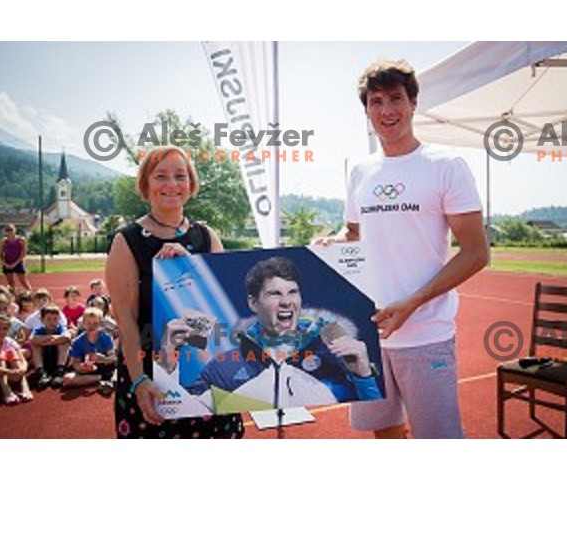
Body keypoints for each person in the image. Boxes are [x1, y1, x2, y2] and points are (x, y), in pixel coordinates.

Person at [315, 59, 488, 439]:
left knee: (438, 439)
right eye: (376, 101)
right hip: (367, 335)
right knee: (386, 433)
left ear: (413, 103)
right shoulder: (360, 171)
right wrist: (331, 242)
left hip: (425, 334)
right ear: (367, 111)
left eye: (396, 98)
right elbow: (355, 234)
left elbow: (477, 252)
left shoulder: (447, 165)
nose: (387, 110)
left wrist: (412, 302)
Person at [105, 146, 244, 439]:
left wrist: (192, 266)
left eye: (180, 176)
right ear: (146, 184)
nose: (171, 184)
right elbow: (126, 320)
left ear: (191, 184)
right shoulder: (127, 241)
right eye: (160, 176)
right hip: (151, 378)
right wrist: (139, 380)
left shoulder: (207, 237)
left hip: (207, 373)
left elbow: (223, 310)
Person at [182, 256, 382, 413]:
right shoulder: (223, 368)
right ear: (253, 303)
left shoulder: (336, 356)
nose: (286, 301)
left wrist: (363, 375)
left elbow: (376, 422)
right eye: (275, 294)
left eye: (292, 292)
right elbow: (184, 418)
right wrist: (167, 365)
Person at [63, 307, 117, 396]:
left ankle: (110, 380)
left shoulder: (106, 338)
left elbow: (114, 358)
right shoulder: (78, 341)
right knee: (67, 379)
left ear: (101, 324)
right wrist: (82, 367)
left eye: (95, 323)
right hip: (89, 370)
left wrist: (103, 359)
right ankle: (103, 378)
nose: (92, 326)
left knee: (120, 370)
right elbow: (75, 363)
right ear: (83, 324)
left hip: (106, 366)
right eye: (88, 323)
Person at [30, 304, 72, 389]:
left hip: (58, 358)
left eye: (55, 319)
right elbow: (32, 339)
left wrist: (47, 342)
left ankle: (59, 372)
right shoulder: (40, 330)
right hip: (45, 359)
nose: (52, 322)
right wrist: (53, 339)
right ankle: (41, 373)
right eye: (48, 319)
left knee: (64, 343)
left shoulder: (60, 328)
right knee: (35, 345)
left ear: (59, 319)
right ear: (42, 320)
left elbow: (67, 337)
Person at [0, 313, 33, 404]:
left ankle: (25, 389)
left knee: (12, 353)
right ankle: (7, 392)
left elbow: (23, 359)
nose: (1, 332)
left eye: (5, 329)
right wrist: (9, 371)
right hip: (3, 372)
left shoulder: (10, 341)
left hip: (10, 373)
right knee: (1, 357)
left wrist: (22, 369)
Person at [0, 224, 32, 291]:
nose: (9, 232)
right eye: (7, 230)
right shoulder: (3, 241)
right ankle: (15, 296)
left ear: (15, 230)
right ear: (5, 232)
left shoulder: (21, 240)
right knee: (10, 282)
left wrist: (15, 263)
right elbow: (0, 254)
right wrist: (5, 264)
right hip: (7, 263)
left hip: (18, 263)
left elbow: (24, 253)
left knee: (23, 281)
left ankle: (31, 295)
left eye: (11, 230)